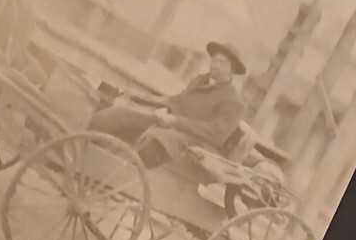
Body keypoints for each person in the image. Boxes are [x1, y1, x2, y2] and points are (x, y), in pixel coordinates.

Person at [89, 41, 248, 169]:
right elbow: (176, 101)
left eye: (221, 62)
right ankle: (87, 155)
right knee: (118, 114)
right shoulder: (200, 81)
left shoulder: (233, 102)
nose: (215, 65)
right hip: (169, 125)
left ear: (231, 69)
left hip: (194, 142)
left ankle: (114, 175)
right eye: (214, 60)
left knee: (156, 140)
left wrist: (176, 121)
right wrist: (140, 97)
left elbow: (216, 134)